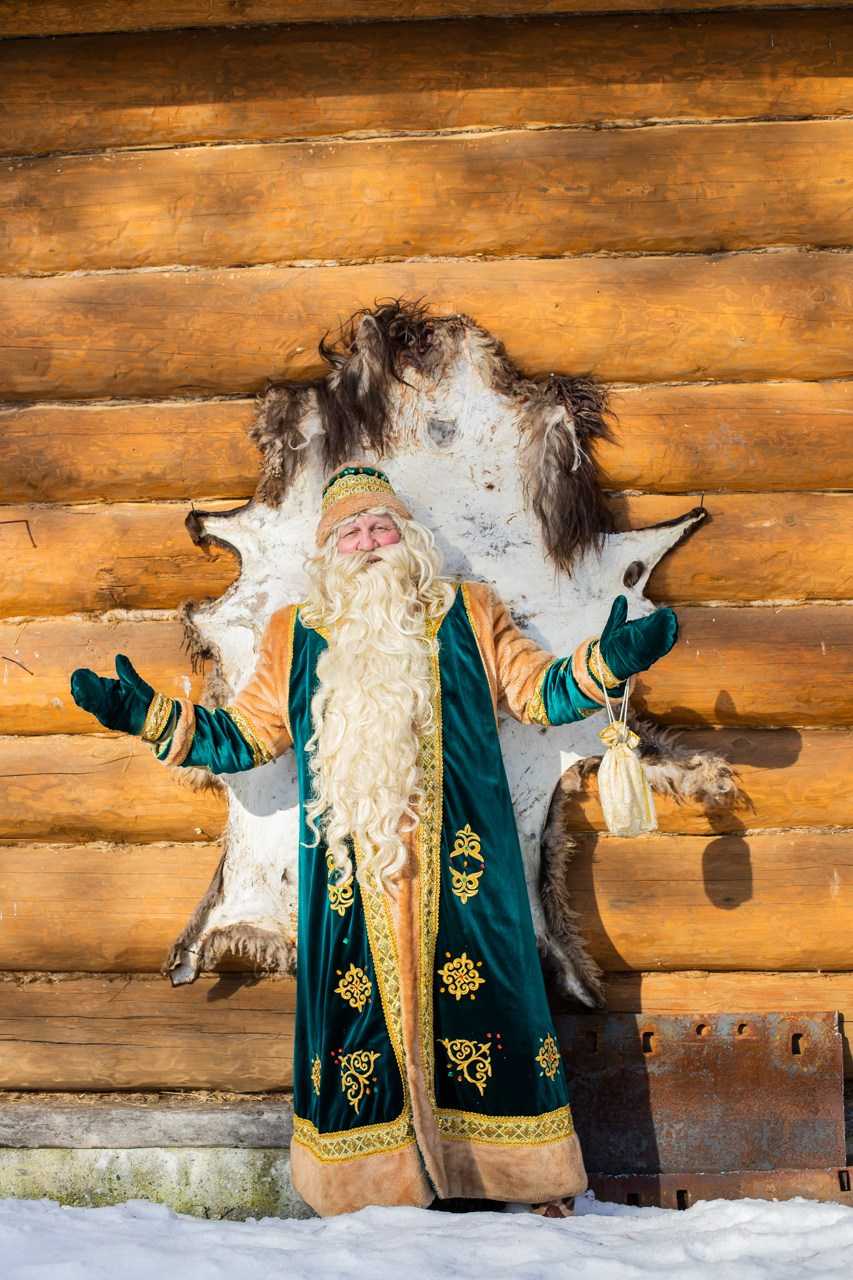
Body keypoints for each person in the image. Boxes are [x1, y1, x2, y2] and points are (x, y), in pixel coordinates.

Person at [71, 463, 677, 1217]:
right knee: (355, 1019)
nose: (366, 542)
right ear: (328, 552)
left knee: (489, 1005)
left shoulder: (469, 610)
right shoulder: (297, 629)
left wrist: (604, 664)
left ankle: (521, 1178)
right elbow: (250, 735)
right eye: (349, 532)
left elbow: (535, 691)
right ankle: (370, 1190)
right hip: (348, 871)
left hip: (463, 864)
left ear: (408, 538)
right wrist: (154, 719)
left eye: (379, 526)